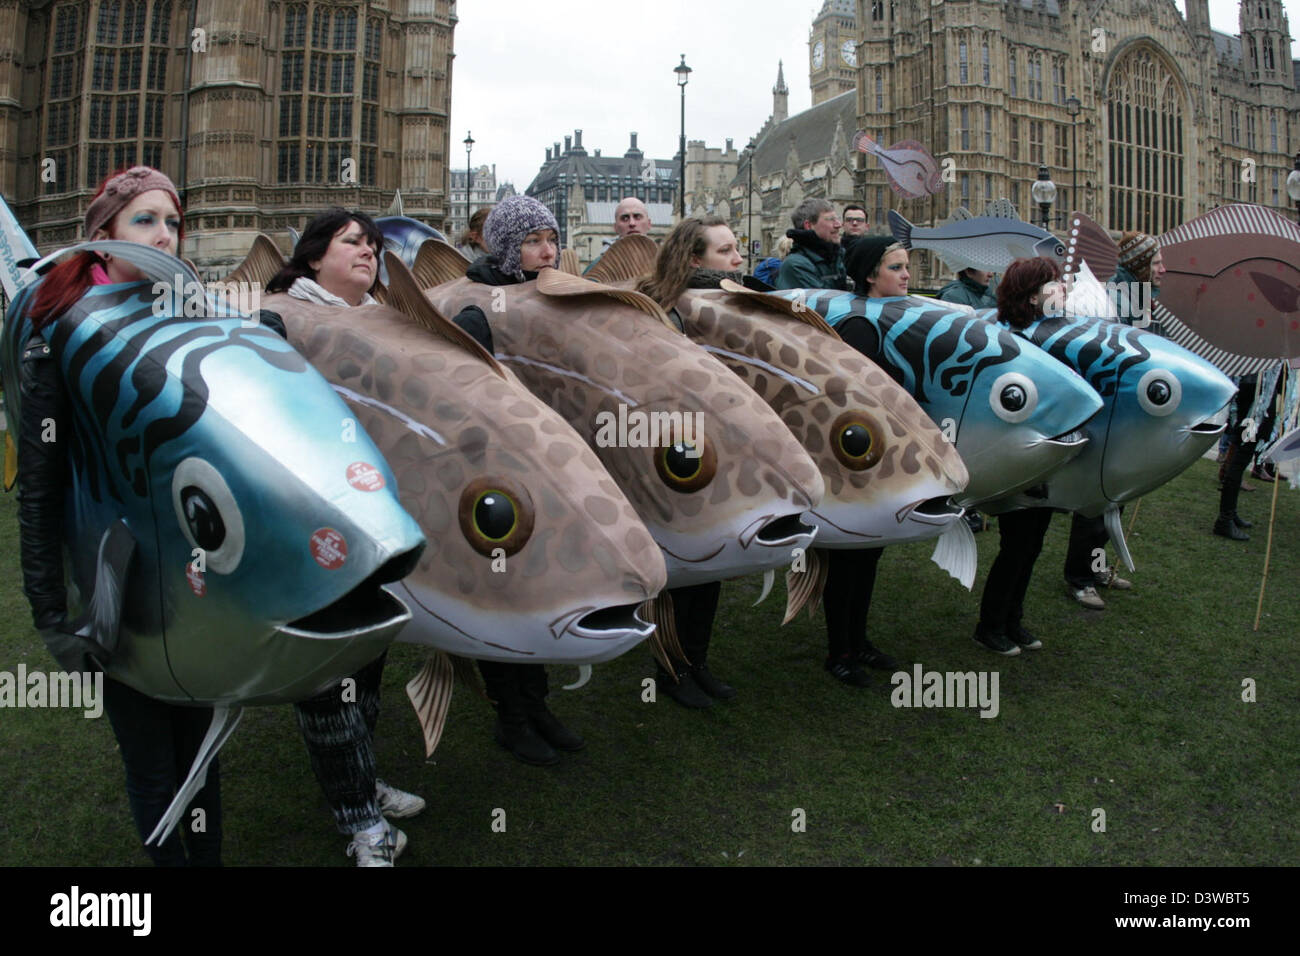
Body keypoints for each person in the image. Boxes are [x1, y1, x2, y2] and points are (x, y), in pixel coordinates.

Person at [17, 166, 223, 865]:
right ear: (102, 236)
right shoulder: (59, 331)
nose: (164, 235)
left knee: (202, 749)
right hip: (115, 579)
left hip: (192, 575)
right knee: (153, 761)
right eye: (145, 221)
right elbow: (39, 486)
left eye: (172, 221)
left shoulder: (195, 320)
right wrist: (51, 612)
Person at [265, 208, 426, 866]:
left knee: (367, 666)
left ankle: (363, 782)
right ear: (311, 258)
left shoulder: (381, 319)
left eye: (374, 244)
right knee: (327, 681)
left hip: (378, 522)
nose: (368, 251)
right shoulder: (279, 319)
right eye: (352, 241)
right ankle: (360, 822)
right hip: (313, 527)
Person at [447, 195, 588, 763]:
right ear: (506, 246)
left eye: (551, 239)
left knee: (542, 584)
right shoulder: (476, 306)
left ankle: (537, 702)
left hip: (548, 457)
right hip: (498, 468)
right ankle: (512, 714)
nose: (547, 250)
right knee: (505, 587)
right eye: (533, 241)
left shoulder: (543, 293)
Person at [633, 215, 746, 707]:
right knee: (679, 569)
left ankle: (696, 662)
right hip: (674, 455)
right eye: (725, 251)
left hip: (720, 451)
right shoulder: (662, 310)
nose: (738, 259)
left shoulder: (730, 305)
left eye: (737, 249)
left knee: (713, 561)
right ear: (693, 258)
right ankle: (670, 670)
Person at [812, 236, 911, 686]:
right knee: (849, 558)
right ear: (871, 275)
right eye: (897, 268)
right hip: (854, 462)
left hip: (879, 456)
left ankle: (859, 641)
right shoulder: (858, 323)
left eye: (907, 267)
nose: (907, 276)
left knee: (869, 555)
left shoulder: (889, 319)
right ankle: (840, 651)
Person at [973, 257, 1065, 655]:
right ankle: (990, 624)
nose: (1062, 289)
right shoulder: (1009, 337)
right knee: (1017, 544)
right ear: (1032, 293)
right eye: (1053, 284)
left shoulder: (1055, 332)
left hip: (1048, 452)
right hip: (1019, 454)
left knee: (1032, 544)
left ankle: (1014, 619)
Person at [774, 198, 849, 291]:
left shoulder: (838, 255)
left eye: (837, 218)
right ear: (809, 226)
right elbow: (823, 302)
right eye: (831, 219)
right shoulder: (795, 265)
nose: (838, 225)